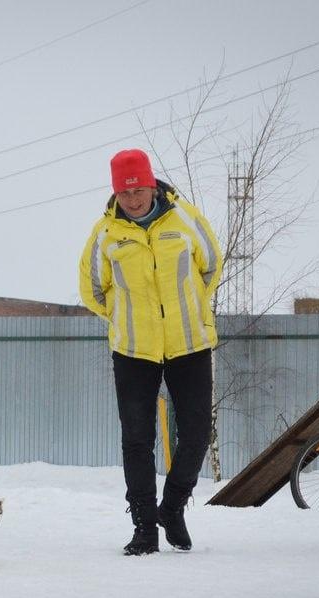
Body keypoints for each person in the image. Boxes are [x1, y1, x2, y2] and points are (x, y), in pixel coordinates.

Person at [78, 148, 221, 556]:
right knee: (137, 440)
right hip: (134, 350)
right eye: (125, 194)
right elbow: (92, 289)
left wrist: (188, 308)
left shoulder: (185, 219)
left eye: (139, 190)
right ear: (115, 194)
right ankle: (144, 527)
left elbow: (211, 265)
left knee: (195, 432)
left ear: (151, 184)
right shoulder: (106, 234)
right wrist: (126, 317)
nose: (134, 199)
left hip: (189, 343)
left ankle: (172, 507)